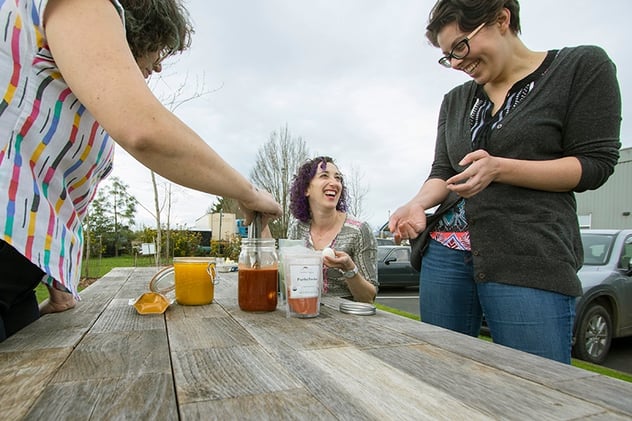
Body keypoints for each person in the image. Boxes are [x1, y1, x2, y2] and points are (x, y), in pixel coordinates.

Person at [0, 0, 282, 342]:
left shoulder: (77, 80)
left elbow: (37, 168)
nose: (159, 67)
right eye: (159, 49)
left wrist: (56, 269)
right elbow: (144, 132)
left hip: (18, 276)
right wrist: (247, 192)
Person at [388, 0, 621, 364]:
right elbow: (443, 172)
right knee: (443, 379)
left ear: (501, 19)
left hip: (530, 255)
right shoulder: (455, 101)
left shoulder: (581, 67)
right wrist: (417, 204)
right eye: (448, 56)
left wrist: (501, 169)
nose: (456, 63)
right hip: (445, 258)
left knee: (538, 386)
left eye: (460, 47)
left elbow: (595, 164)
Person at [287, 157, 378, 303]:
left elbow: (369, 298)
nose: (334, 183)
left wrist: (349, 269)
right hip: (304, 314)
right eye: (324, 176)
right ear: (306, 189)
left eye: (338, 178)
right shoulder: (297, 229)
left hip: (348, 321)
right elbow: (289, 283)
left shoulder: (359, 230)